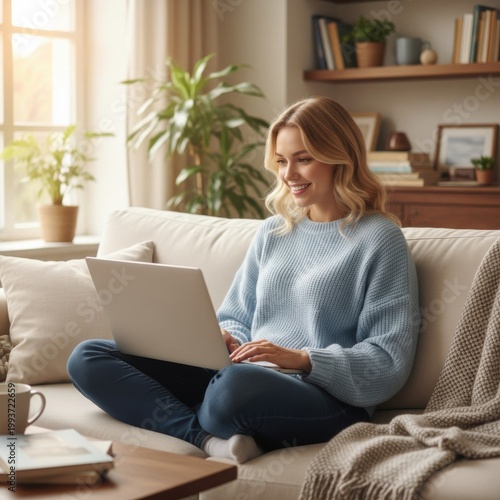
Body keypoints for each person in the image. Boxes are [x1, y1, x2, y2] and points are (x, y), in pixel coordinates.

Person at [67, 96, 420, 464]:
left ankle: (210, 414)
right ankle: (207, 439)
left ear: (339, 157)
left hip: (326, 397)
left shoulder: (379, 238)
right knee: (87, 357)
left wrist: (303, 359)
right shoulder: (273, 232)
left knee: (231, 389)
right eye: (282, 162)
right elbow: (235, 314)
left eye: (303, 159)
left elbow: (387, 362)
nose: (288, 175)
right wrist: (223, 337)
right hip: (243, 374)